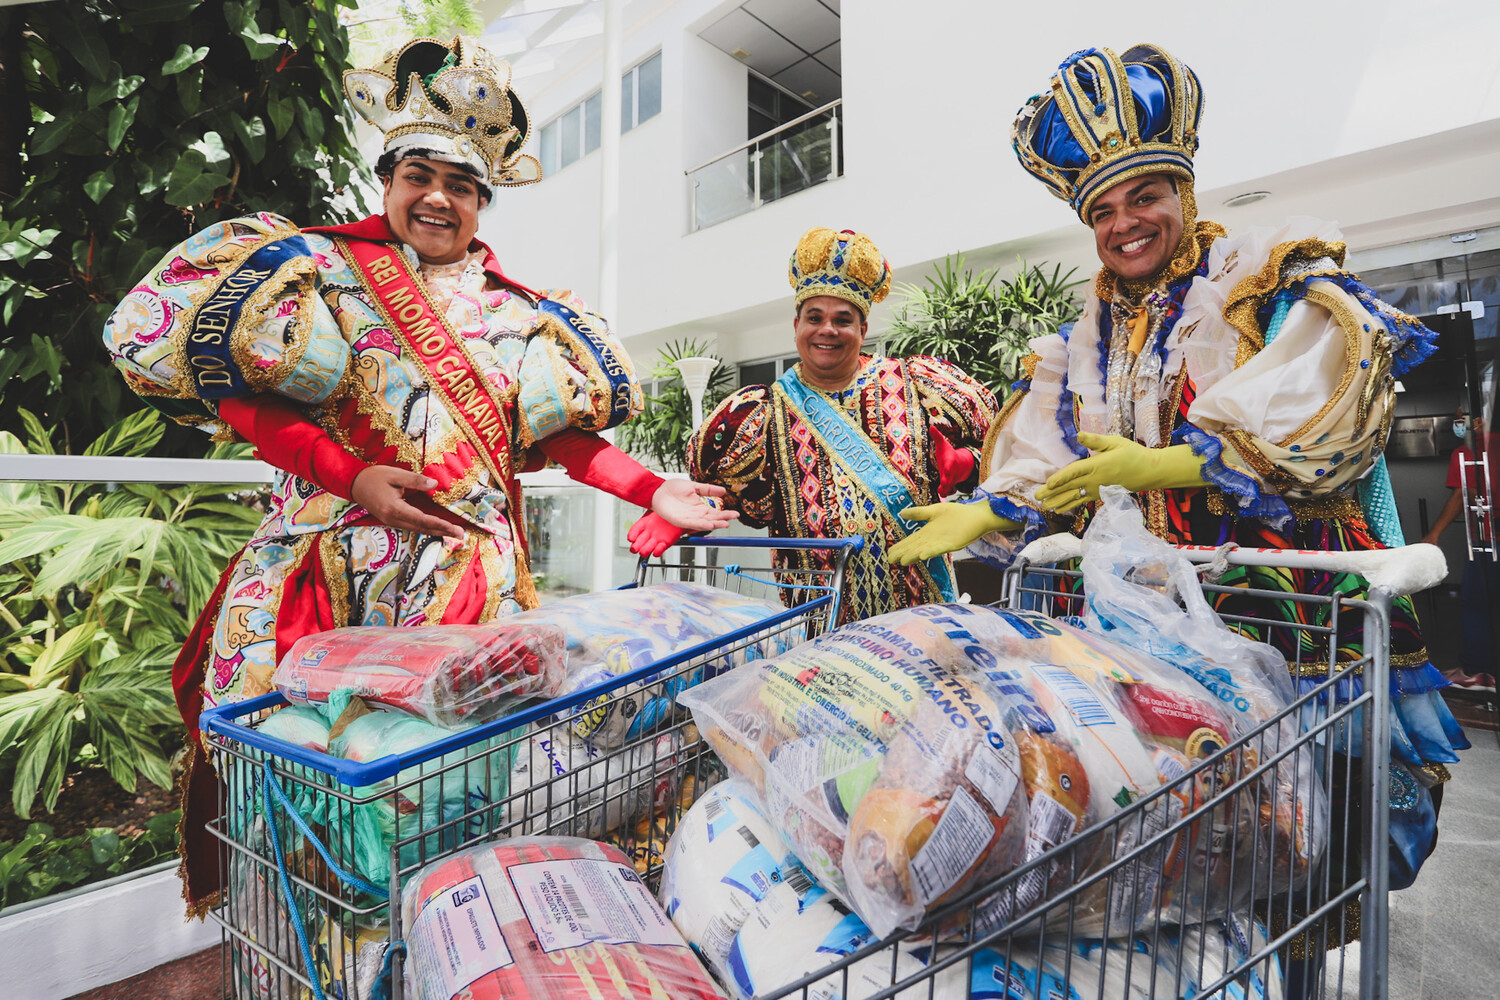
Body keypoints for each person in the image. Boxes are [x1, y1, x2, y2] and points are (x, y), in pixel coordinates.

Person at [101, 36, 733, 913]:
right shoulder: (313, 274)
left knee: (453, 791)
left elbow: (558, 441)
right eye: (419, 176)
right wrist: (347, 474)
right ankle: (312, 936)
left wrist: (653, 488)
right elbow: (237, 400)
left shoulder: (520, 317)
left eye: (462, 185)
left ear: (483, 202)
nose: (439, 198)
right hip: (325, 574)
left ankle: (432, 942)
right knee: (302, 783)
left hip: (465, 588)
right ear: (389, 180)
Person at [887, 42, 1469, 979]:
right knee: (1201, 844)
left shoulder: (1262, 283)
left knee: (1315, 840)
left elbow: (1326, 411)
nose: (1125, 224)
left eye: (1143, 196)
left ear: (1184, 193)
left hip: (1289, 619)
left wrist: (1173, 462)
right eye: (1104, 211)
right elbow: (1047, 456)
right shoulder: (1087, 333)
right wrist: (986, 512)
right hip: (1159, 632)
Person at [668, 227, 997, 625]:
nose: (827, 329)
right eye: (815, 317)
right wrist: (676, 509)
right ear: (796, 326)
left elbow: (1002, 456)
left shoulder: (919, 385)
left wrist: (964, 463)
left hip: (921, 616)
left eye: (843, 319)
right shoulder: (762, 412)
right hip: (819, 623)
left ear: (863, 330)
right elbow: (728, 496)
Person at [1421, 410, 1499, 688]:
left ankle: (1477, 671)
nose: (1459, 425)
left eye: (1461, 418)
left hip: (1486, 540)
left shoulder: (1468, 452)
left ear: (1477, 419)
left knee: (1476, 605)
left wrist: (1434, 533)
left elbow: (1460, 495)